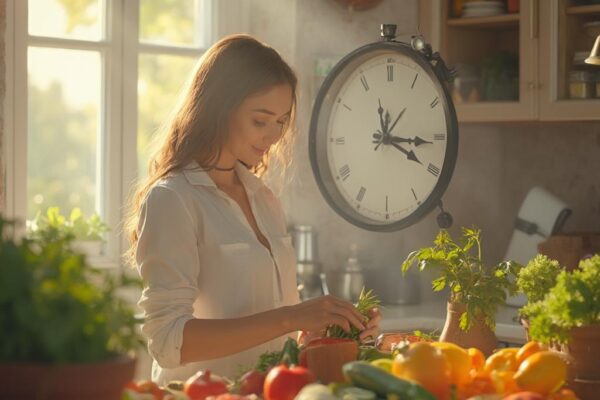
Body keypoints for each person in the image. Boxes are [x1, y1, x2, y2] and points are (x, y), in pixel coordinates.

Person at [125, 34, 381, 386]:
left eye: (281, 121)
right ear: (217, 109)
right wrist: (293, 317)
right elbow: (169, 342)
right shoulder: (173, 199)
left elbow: (281, 332)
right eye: (261, 121)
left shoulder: (263, 197)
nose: (273, 135)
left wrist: (335, 326)